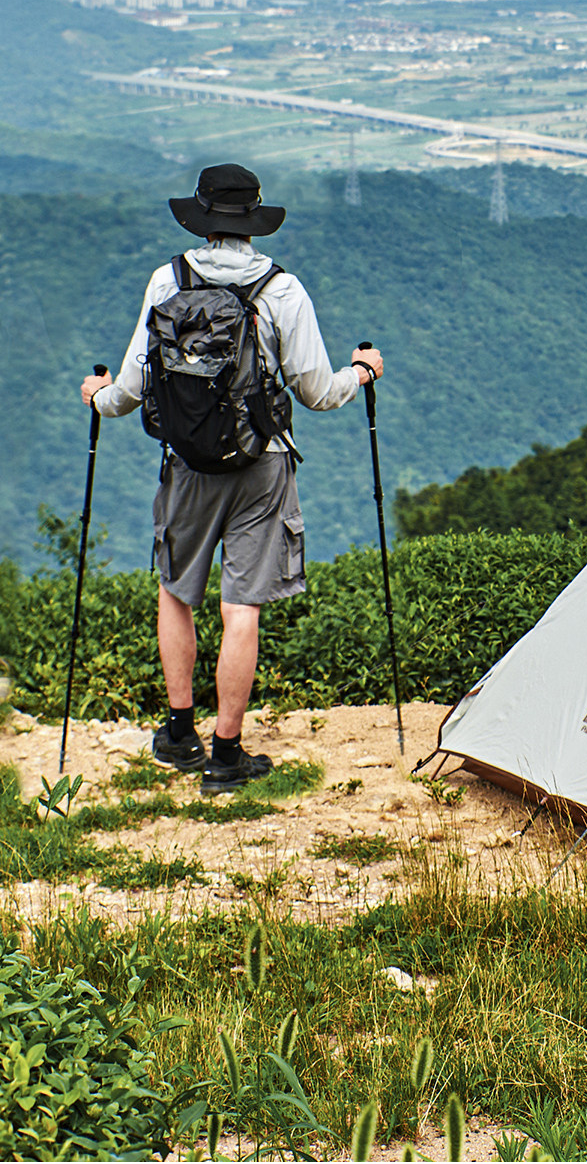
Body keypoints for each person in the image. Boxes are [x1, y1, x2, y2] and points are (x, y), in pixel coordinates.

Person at [81, 163, 383, 792]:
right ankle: (226, 756)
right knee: (240, 604)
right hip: (260, 465)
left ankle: (178, 732)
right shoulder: (282, 290)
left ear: (201, 217)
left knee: (176, 591)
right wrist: (362, 373)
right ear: (253, 222)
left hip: (187, 464)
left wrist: (97, 398)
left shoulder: (168, 280)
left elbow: (132, 386)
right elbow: (318, 392)